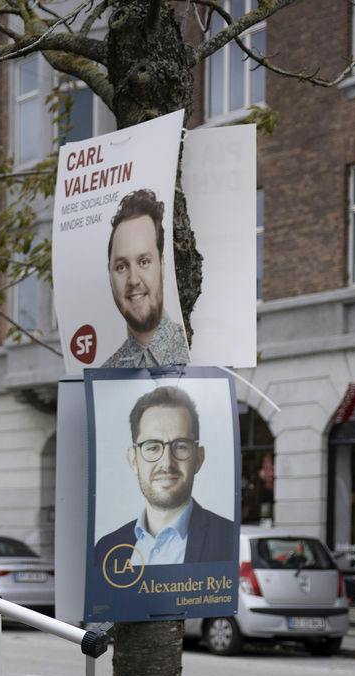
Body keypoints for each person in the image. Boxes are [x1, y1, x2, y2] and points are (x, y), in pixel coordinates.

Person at [92, 383, 236, 569]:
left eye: (181, 446)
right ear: (133, 460)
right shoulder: (106, 549)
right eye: (152, 447)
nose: (167, 463)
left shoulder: (230, 541)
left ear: (199, 458)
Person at [102, 189, 191, 369]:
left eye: (144, 262)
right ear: (109, 274)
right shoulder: (105, 375)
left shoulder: (198, 352)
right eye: (121, 266)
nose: (133, 280)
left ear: (162, 265)